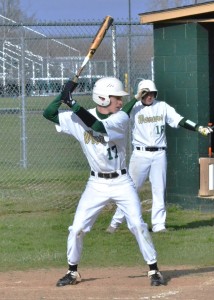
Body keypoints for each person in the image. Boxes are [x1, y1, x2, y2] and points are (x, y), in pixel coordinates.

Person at [43, 77, 165, 287]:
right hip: (96, 184)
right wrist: (63, 94)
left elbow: (98, 126)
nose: (120, 102)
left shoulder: (120, 119)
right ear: (103, 98)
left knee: (137, 224)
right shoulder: (76, 119)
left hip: (121, 182)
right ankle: (72, 272)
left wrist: (72, 102)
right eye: (117, 98)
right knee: (77, 228)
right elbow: (49, 113)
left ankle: (153, 269)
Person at [106, 79, 213, 234]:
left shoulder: (162, 106)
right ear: (140, 94)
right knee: (130, 190)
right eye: (146, 93)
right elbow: (122, 115)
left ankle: (159, 225)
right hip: (140, 154)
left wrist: (197, 128)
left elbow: (180, 120)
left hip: (159, 153)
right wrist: (136, 98)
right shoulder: (134, 108)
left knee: (159, 189)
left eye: (152, 93)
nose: (150, 96)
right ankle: (115, 223)